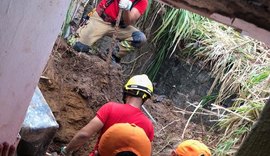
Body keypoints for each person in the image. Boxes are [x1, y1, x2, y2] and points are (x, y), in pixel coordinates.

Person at [60, 74, 154, 156]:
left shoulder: (111, 108)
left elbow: (84, 134)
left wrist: (66, 151)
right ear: (145, 98)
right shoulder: (148, 125)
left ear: (126, 91)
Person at [72, 0, 148, 62]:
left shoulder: (142, 1)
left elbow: (128, 22)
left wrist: (126, 9)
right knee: (77, 46)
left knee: (139, 38)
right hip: (100, 19)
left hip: (119, 27)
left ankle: (111, 55)